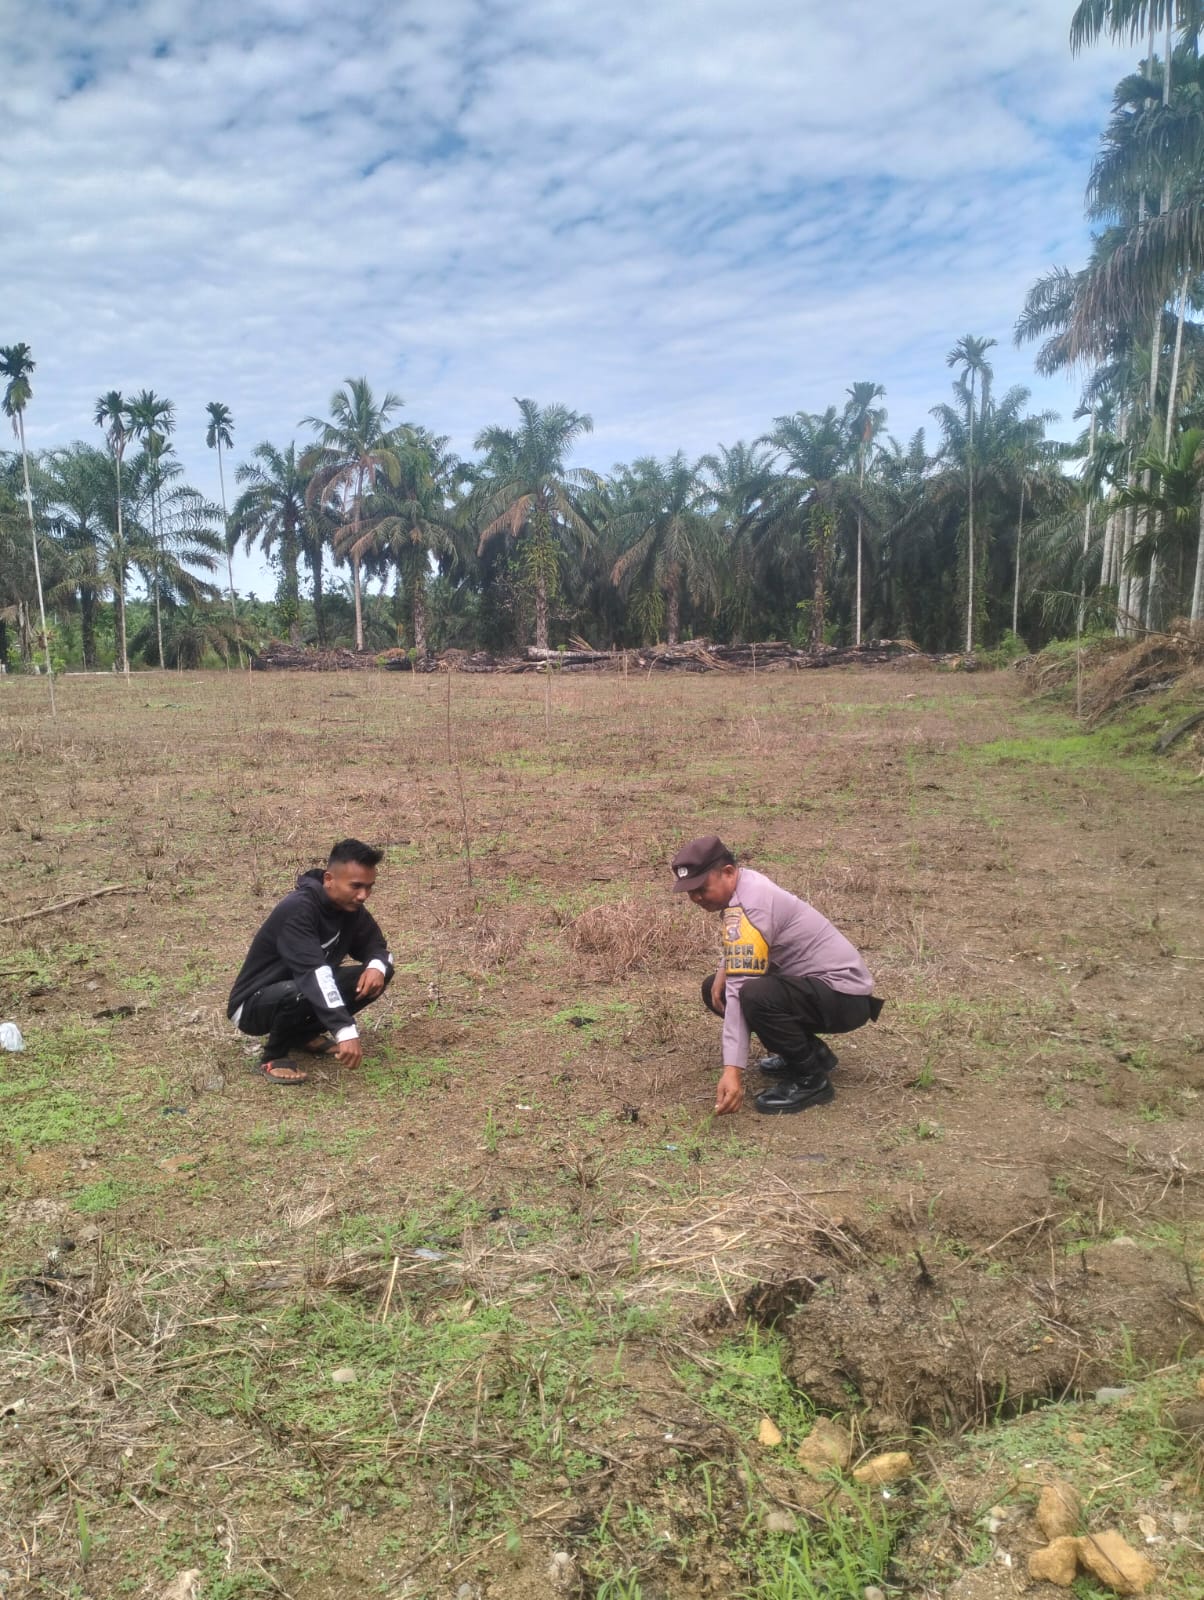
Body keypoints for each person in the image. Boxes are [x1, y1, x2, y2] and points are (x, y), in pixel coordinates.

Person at [672, 835, 882, 1116]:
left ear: (728, 873)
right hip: (827, 992)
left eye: (701, 888)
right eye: (689, 891)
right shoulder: (748, 884)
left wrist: (732, 1071)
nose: (695, 898)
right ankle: (813, 1054)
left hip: (844, 996)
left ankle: (811, 1080)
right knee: (717, 988)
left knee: (752, 995)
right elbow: (751, 941)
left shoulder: (751, 904)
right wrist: (725, 967)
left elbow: (741, 987)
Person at [228, 838, 394, 1085]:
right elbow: (314, 974)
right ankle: (274, 1056)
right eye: (356, 886)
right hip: (253, 1005)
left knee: (378, 973)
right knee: (303, 988)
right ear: (329, 879)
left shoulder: (349, 908)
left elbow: (378, 948)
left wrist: (376, 967)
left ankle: (302, 1035)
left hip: (301, 986)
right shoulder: (298, 909)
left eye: (369, 887)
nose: (363, 895)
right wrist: (344, 1030)